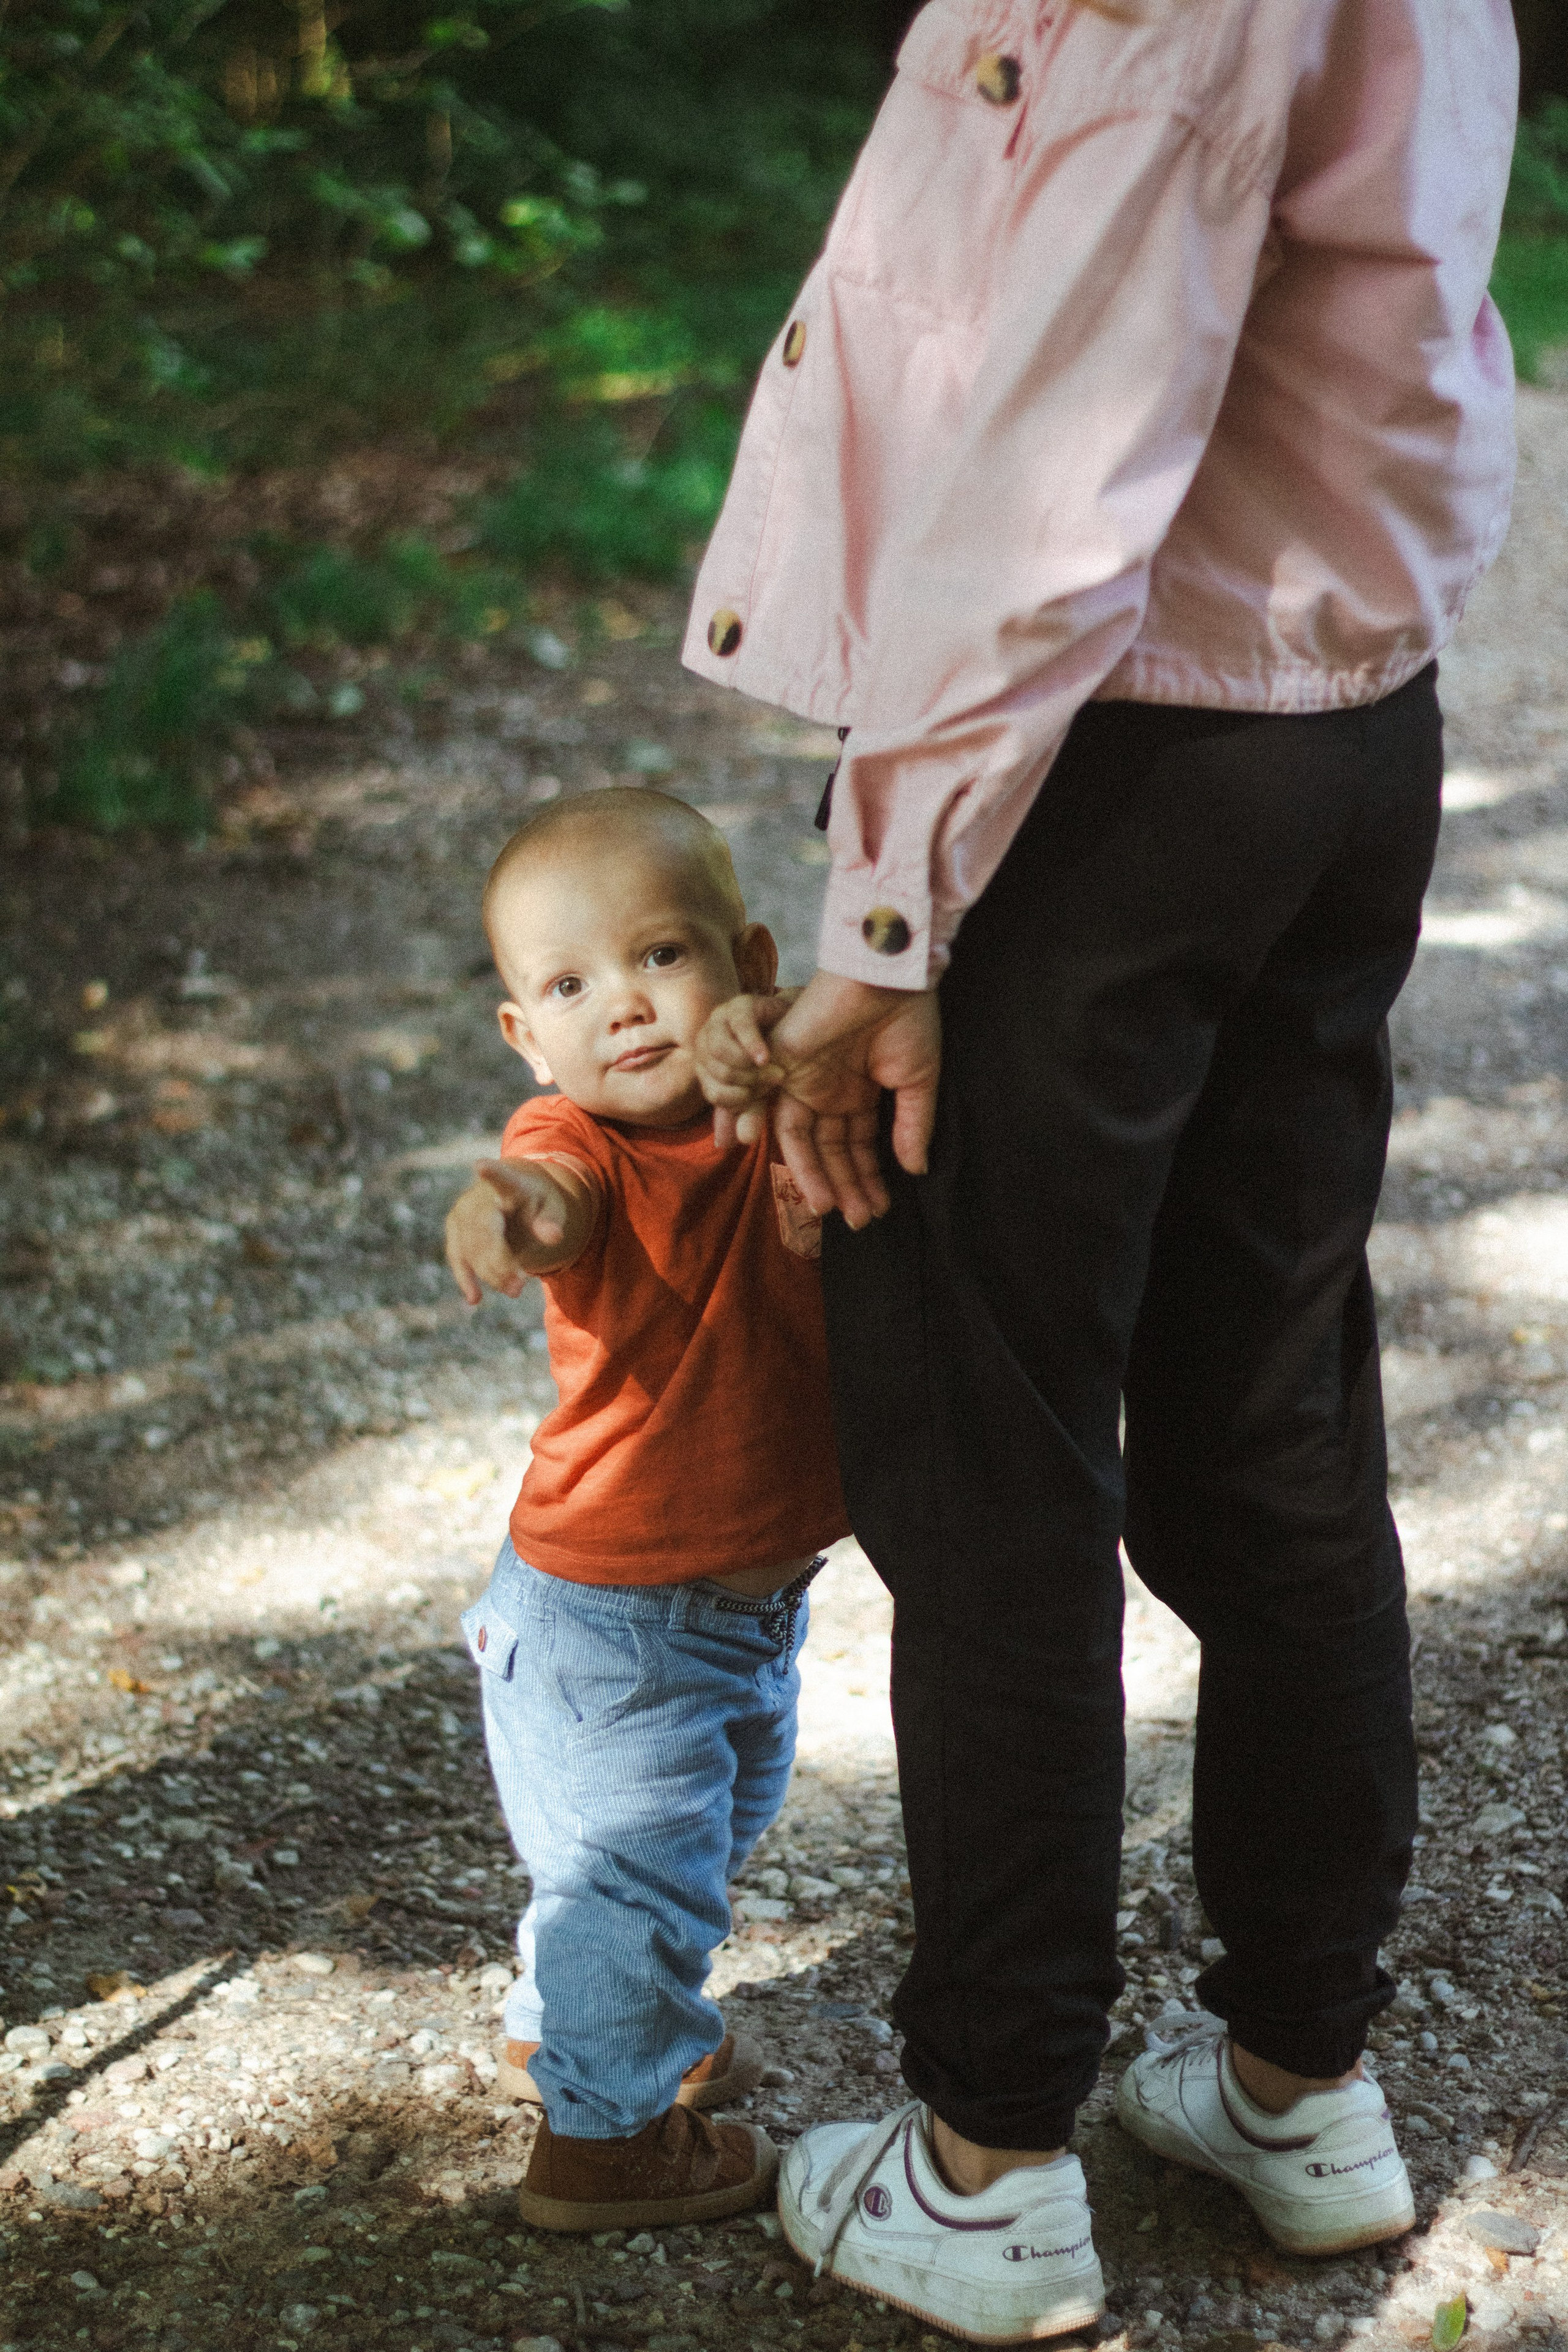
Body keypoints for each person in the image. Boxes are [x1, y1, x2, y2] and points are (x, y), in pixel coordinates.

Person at [686, 0, 1517, 2337]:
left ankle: (988, 2158)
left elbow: (1069, 451)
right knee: (1268, 1409)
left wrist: (894, 903)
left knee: (991, 1446)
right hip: (1341, 726)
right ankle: (1294, 2083)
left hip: (1110, 761)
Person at [443, 788, 851, 2230]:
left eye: (660, 958)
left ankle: (580, 2021)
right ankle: (601, 2143)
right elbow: (550, 1195)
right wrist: (507, 1211)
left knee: (690, 1849)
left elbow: (852, 1053)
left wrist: (780, 1041)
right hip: (612, 1619)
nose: (621, 1008)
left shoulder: (787, 1086)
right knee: (637, 1880)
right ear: (525, 1034)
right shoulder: (580, 1141)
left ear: (743, 957)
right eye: (568, 987)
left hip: (735, 1614)